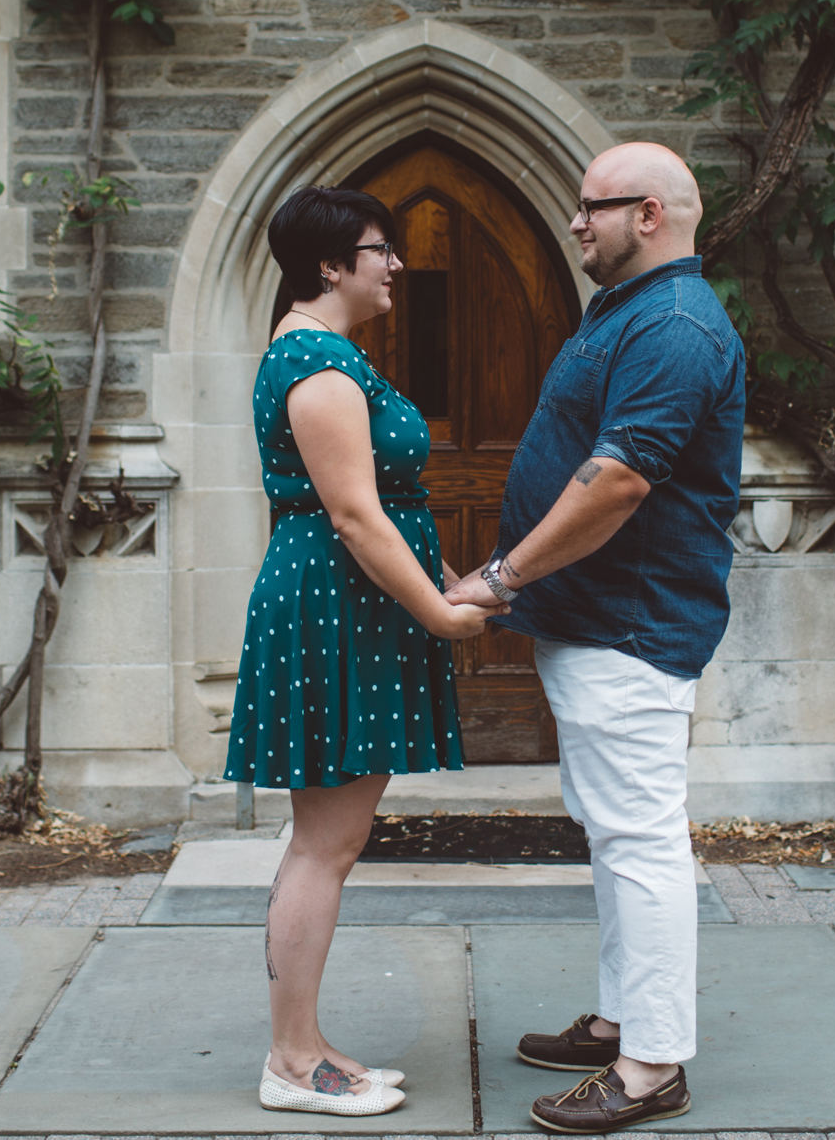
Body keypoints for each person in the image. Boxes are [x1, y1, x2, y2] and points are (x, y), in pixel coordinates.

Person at [446, 141, 746, 1134]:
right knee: (613, 831)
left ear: (649, 213)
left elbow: (617, 479)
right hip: (592, 621)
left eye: (590, 207)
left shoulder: (672, 322)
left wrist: (502, 575)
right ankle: (623, 1020)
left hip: (631, 620)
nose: (574, 221)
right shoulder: (625, 310)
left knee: (641, 839)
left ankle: (652, 1064)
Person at [224, 185, 496, 1119]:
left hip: (345, 606)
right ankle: (291, 1062)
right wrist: (437, 611)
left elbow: (381, 508)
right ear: (330, 265)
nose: (396, 267)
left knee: (330, 840)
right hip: (332, 609)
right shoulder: (318, 366)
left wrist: (443, 572)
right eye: (382, 250)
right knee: (324, 844)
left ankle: (303, 1044)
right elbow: (352, 514)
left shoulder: (327, 357)